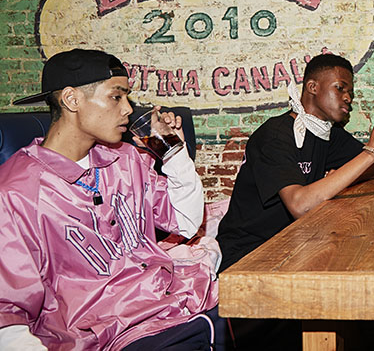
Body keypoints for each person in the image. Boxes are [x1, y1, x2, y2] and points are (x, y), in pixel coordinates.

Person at [0, 49, 223, 351]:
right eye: (116, 97)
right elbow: (8, 317)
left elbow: (185, 222)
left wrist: (174, 153)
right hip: (106, 336)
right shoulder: (16, 192)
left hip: (175, 304)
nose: (128, 109)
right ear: (72, 99)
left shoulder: (126, 160)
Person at [217, 53, 374, 272]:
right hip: (249, 254)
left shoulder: (328, 133)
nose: (348, 97)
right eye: (340, 88)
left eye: (350, 92)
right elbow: (300, 206)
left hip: (296, 243)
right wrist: (370, 153)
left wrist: (342, 175)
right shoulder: (276, 136)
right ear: (312, 87)